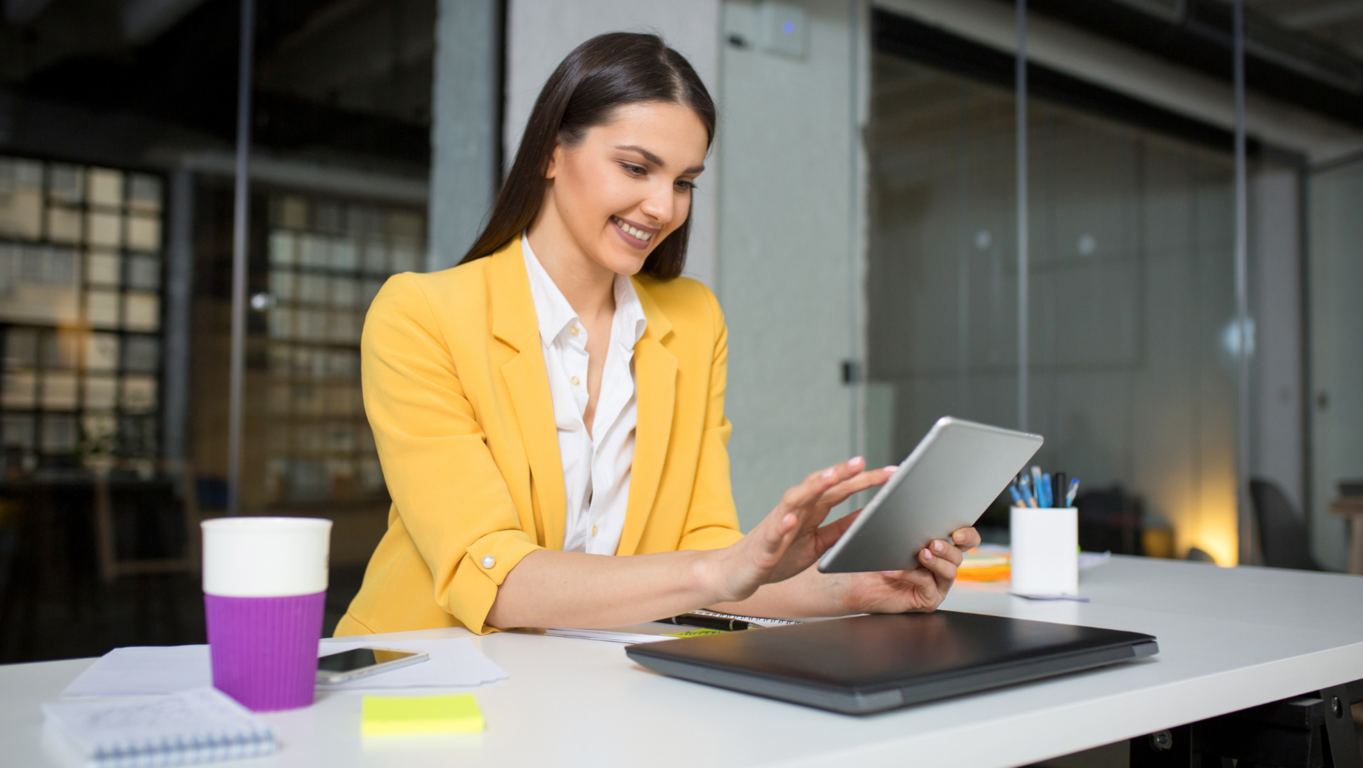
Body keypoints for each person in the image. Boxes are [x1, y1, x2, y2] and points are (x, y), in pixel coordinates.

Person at [334, 32, 980, 637]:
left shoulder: (692, 321)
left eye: (684, 182)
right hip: (425, 678)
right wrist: (721, 568)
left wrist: (860, 589)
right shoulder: (420, 315)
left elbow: (702, 559)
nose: (663, 207)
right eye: (636, 168)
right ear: (552, 153)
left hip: (588, 682)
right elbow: (492, 575)